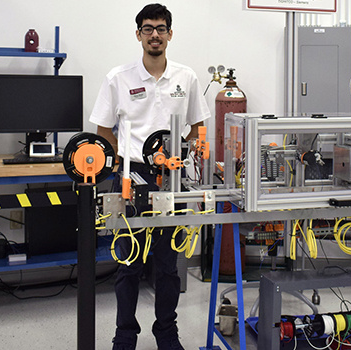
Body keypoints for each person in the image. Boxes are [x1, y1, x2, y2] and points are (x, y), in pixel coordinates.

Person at [88, 4, 211, 350]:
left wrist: (185, 156)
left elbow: (198, 128)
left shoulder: (185, 77)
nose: (154, 34)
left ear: (170, 34)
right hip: (131, 177)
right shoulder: (118, 78)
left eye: (160, 28)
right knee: (128, 265)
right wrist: (118, 166)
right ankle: (125, 335)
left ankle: (166, 333)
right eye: (147, 28)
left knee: (168, 266)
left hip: (169, 180)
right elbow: (103, 131)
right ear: (138, 34)